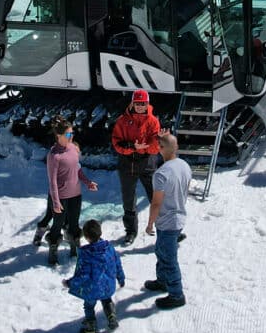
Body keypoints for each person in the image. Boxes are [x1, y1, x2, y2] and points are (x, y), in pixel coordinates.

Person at [36, 117, 97, 266]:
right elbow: (52, 182)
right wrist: (56, 203)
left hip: (75, 195)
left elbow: (77, 170)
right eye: (68, 134)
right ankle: (53, 248)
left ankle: (74, 246)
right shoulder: (54, 156)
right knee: (57, 224)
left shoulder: (73, 149)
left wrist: (87, 182)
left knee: (74, 224)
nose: (71, 137)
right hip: (60, 197)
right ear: (59, 136)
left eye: (72, 133)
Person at [142, 131, 192, 309]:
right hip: (179, 217)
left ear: (160, 149)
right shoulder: (184, 165)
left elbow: (156, 203)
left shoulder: (161, 174)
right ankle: (163, 281)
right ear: (176, 147)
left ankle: (176, 294)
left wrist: (149, 224)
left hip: (168, 222)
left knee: (169, 259)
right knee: (161, 251)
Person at [109, 89, 161, 246]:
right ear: (132, 103)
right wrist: (133, 146)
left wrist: (144, 148)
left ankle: (166, 229)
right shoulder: (122, 121)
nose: (140, 106)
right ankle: (131, 231)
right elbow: (117, 143)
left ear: (147, 104)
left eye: (143, 104)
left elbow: (155, 146)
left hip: (147, 163)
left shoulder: (153, 121)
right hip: (127, 163)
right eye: (137, 103)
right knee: (129, 199)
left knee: (155, 197)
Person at [65, 220, 123, 333]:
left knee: (89, 306)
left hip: (92, 289)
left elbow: (83, 275)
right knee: (107, 300)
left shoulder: (86, 254)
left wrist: (70, 283)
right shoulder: (109, 248)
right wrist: (121, 278)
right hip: (108, 286)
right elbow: (117, 263)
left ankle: (91, 327)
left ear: (86, 237)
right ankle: (111, 316)